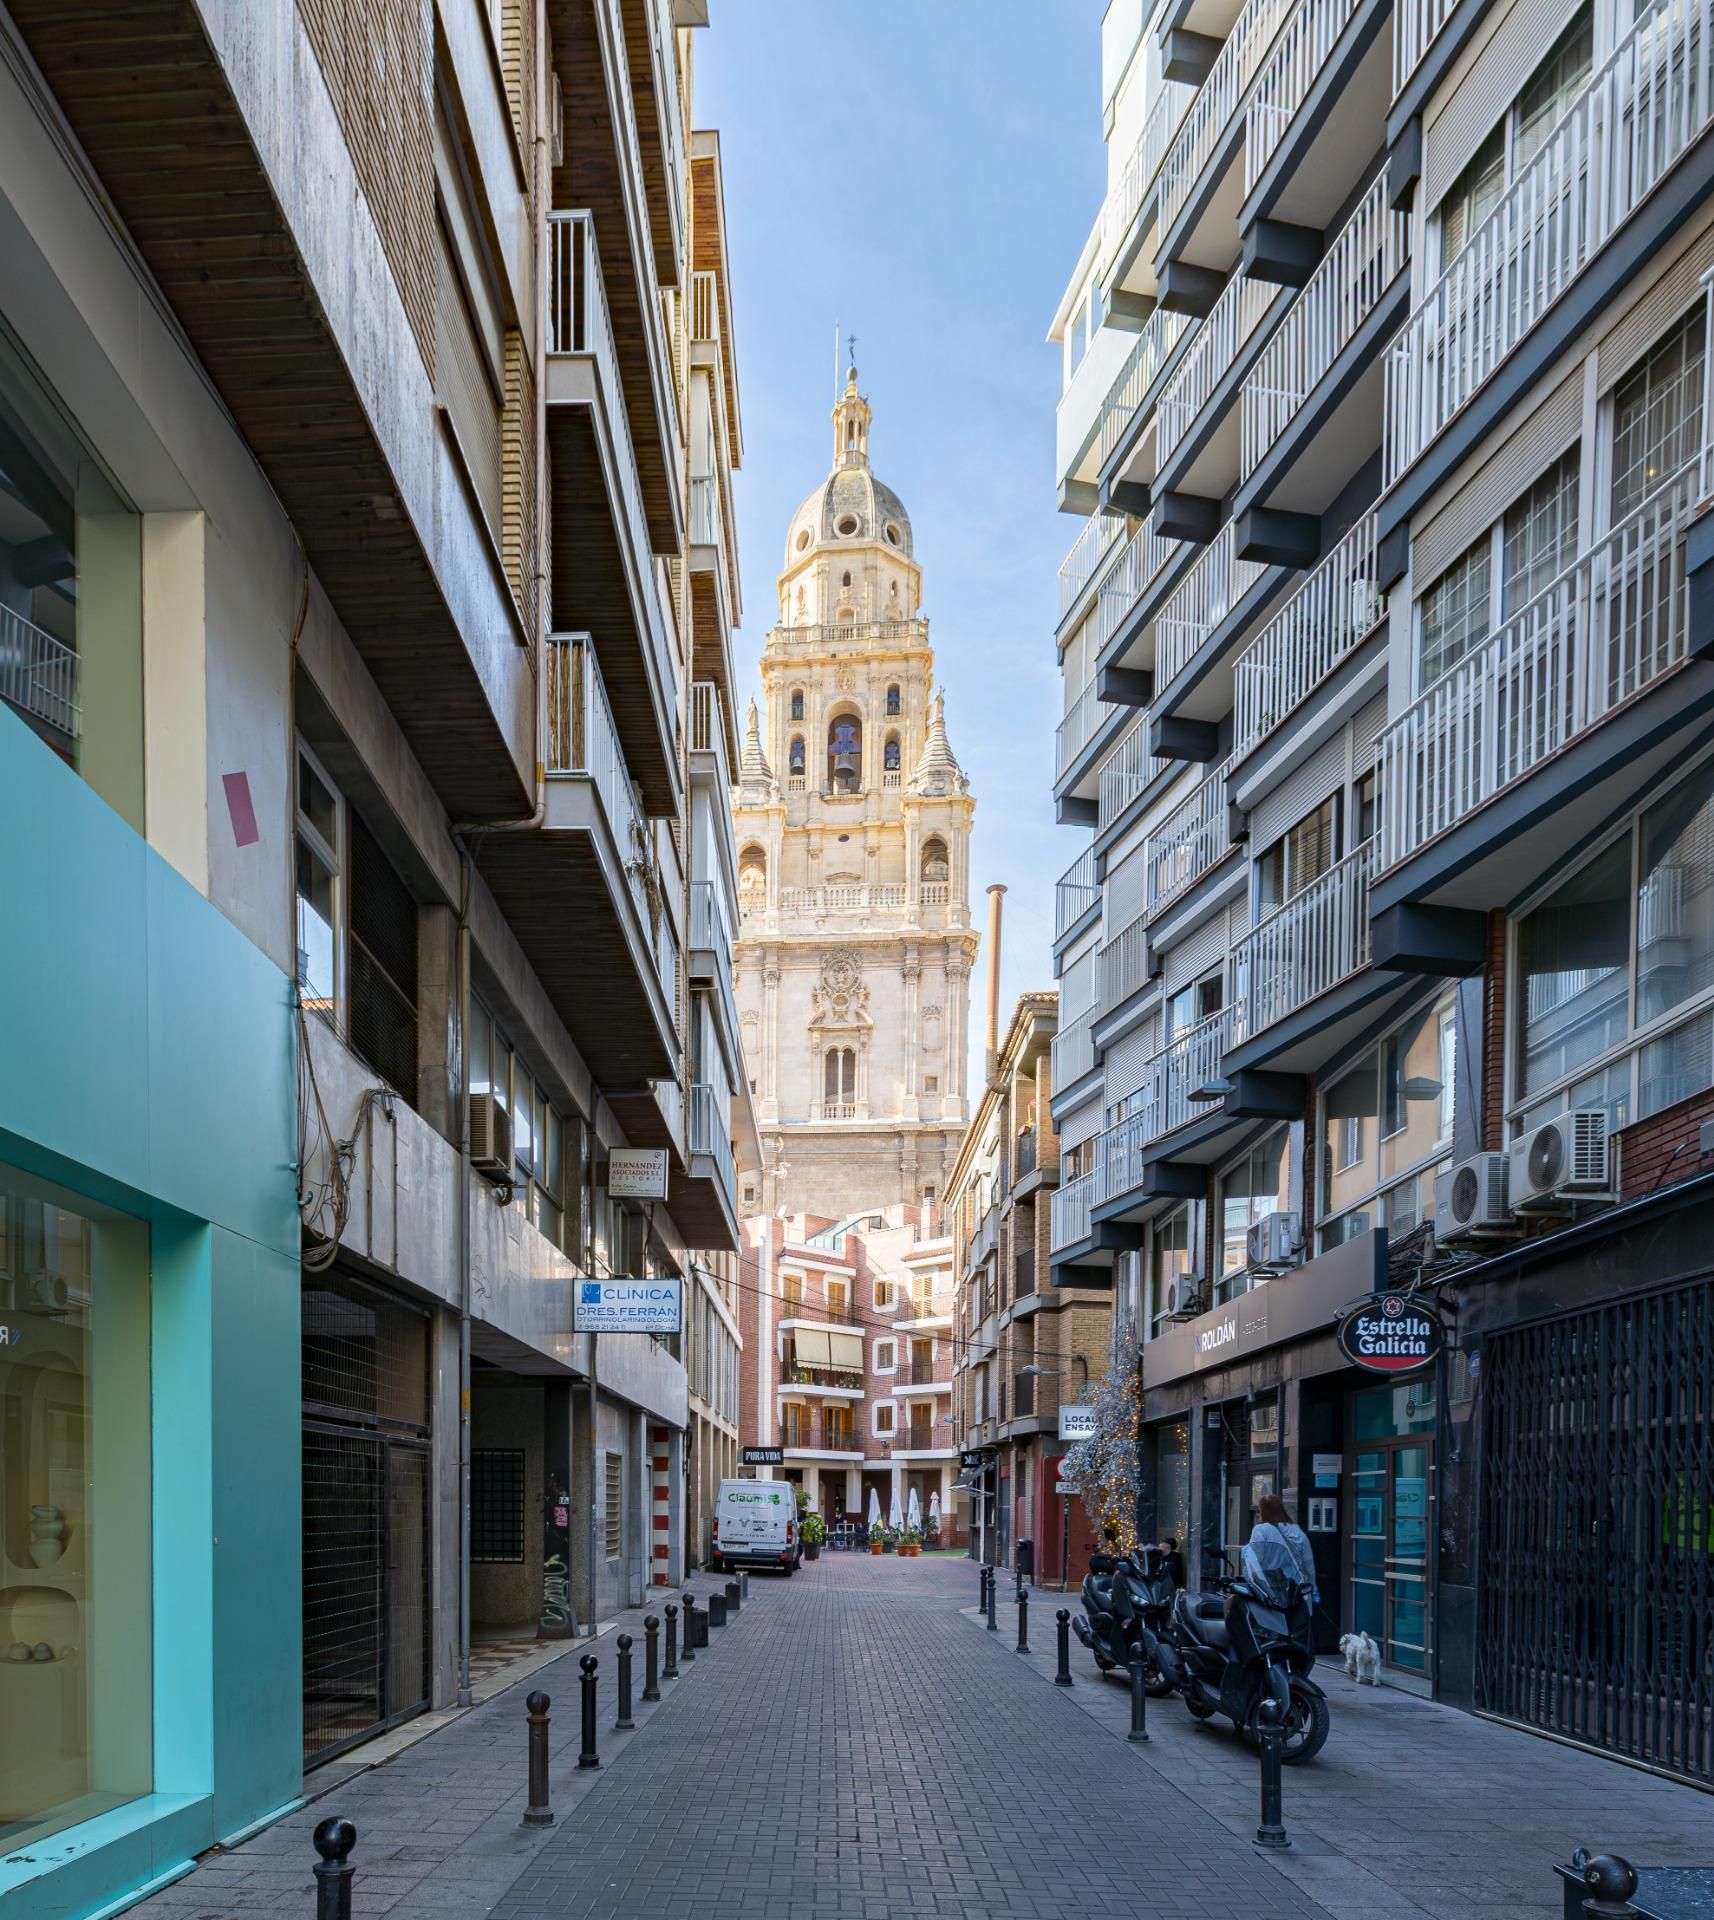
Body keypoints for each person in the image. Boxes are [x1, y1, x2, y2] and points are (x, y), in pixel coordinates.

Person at [1242, 1493, 1319, 1602]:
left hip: (1271, 1590)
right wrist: (1313, 1587)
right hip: (1295, 1590)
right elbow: (1308, 1562)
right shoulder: (1296, 1529)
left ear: (1262, 1511)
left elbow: (1254, 1561)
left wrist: (1246, 1579)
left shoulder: (1260, 1530)